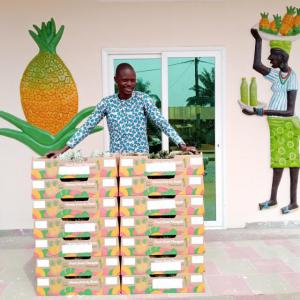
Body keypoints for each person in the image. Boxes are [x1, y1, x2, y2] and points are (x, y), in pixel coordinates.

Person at [47, 63, 197, 158]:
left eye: (132, 80)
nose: (129, 84)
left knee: (138, 203)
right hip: (117, 163)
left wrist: (181, 144)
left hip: (140, 161)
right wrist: (63, 149)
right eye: (125, 80)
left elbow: (162, 123)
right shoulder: (107, 103)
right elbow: (87, 127)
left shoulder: (143, 99)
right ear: (116, 80)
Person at [242, 28, 299, 214]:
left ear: (282, 58)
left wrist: (263, 111)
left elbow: (289, 111)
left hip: (287, 125)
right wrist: (258, 41)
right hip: (276, 125)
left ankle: (293, 201)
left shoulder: (293, 78)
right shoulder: (276, 75)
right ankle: (274, 198)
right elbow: (256, 65)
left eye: (272, 57)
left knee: (291, 162)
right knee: (278, 162)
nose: (269, 60)